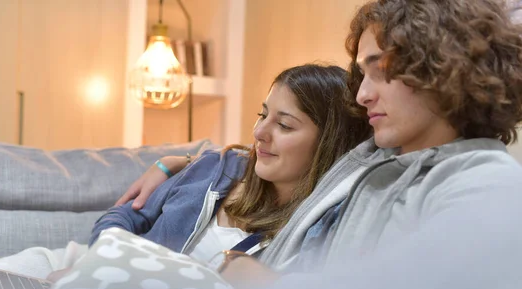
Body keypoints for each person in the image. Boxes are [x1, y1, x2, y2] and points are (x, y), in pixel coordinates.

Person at [118, 0, 522, 284]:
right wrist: (175, 162)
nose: (362, 95)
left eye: (380, 70)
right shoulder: (374, 160)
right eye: (361, 75)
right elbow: (266, 152)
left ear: (445, 67)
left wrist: (261, 284)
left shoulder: (485, 184)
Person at [87, 63, 369, 266]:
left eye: (284, 125)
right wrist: (105, 263)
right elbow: (122, 218)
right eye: (263, 114)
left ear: (329, 144)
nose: (259, 132)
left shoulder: (317, 231)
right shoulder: (217, 168)